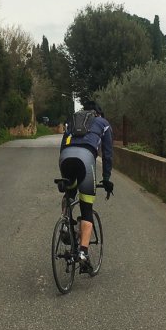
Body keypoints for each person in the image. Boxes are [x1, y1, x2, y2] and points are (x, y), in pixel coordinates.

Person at [58, 100, 114, 269]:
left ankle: (66, 223)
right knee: (86, 208)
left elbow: (62, 148)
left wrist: (64, 176)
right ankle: (83, 252)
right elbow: (108, 154)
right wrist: (106, 178)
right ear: (99, 113)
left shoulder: (73, 121)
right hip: (85, 159)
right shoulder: (103, 124)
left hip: (65, 159)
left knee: (69, 193)